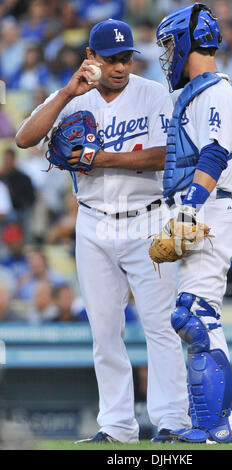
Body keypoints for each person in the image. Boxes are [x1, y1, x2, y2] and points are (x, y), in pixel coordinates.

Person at [15, 18, 190, 444]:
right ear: (90, 58)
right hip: (93, 223)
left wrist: (102, 158)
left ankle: (171, 422)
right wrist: (66, 94)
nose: (120, 66)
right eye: (110, 58)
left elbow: (169, 154)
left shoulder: (152, 94)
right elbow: (25, 138)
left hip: (148, 218)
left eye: (126, 57)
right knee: (104, 332)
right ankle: (116, 426)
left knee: (160, 326)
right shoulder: (73, 99)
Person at [154, 3, 232, 443]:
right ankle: (223, 425)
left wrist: (188, 207)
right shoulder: (195, 92)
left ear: (188, 41)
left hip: (207, 209)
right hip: (197, 209)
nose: (168, 54)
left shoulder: (216, 91)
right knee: (203, 321)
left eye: (170, 45)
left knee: (194, 316)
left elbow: (214, 154)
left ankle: (212, 426)